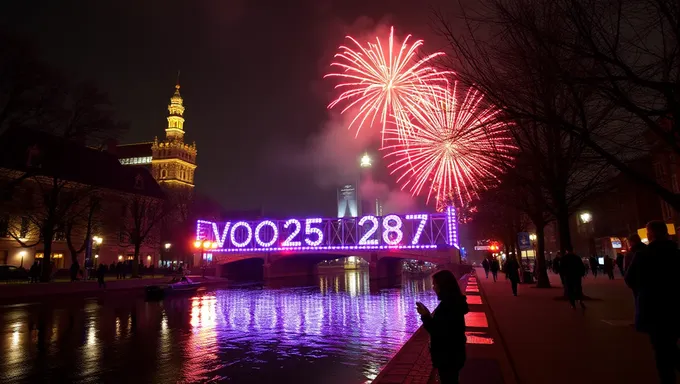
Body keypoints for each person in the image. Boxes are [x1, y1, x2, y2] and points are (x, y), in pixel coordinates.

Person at [625, 221, 680, 384]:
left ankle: (667, 379)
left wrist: (644, 290)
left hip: (653, 307)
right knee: (670, 342)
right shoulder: (677, 254)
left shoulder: (643, 255)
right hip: (675, 305)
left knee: (661, 348)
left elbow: (630, 278)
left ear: (651, 234)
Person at [416, 270, 469, 383]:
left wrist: (425, 316)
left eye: (435, 284)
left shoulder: (448, 306)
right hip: (454, 354)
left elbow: (437, 330)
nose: (433, 287)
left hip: (448, 356)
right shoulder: (454, 303)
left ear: (443, 285)